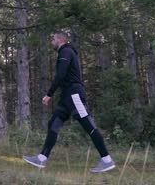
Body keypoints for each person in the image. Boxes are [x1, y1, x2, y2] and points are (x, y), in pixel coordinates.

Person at [22, 31, 115, 173]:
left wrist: (49, 94)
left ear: (60, 40)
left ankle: (107, 160)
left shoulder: (65, 51)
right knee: (53, 123)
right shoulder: (66, 52)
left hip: (74, 95)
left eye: (53, 39)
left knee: (88, 124)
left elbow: (61, 74)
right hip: (66, 97)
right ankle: (42, 158)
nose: (51, 41)